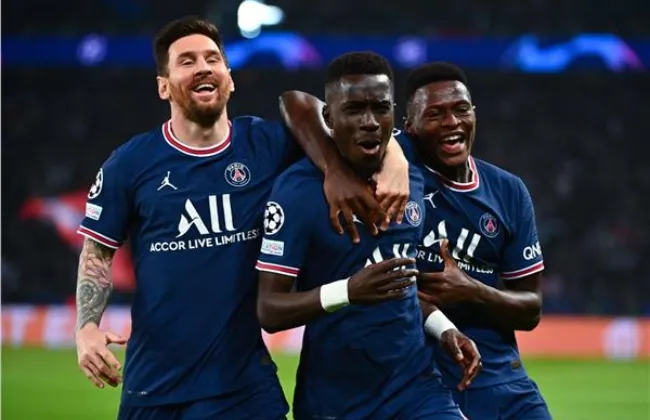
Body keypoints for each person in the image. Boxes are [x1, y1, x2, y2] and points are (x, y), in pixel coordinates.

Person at [73, 17, 411, 420]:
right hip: (155, 389)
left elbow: (327, 114)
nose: (203, 67)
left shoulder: (268, 145)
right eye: (186, 61)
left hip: (245, 391)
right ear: (163, 86)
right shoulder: (130, 164)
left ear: (229, 79)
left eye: (212, 59)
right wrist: (86, 328)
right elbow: (98, 252)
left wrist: (396, 158)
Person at [256, 52, 480, 420]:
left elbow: (400, 290)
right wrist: (347, 291)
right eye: (354, 109)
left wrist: (444, 329)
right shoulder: (297, 192)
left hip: (415, 389)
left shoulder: (412, 175)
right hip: (335, 401)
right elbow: (269, 309)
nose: (370, 122)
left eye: (380, 108)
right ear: (329, 118)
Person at [403, 62, 551, 419]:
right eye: (435, 114)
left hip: (503, 378)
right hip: (426, 382)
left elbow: (530, 308)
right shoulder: (396, 179)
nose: (452, 122)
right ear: (409, 127)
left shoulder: (509, 191)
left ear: (474, 114)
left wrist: (471, 290)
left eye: (461, 109)